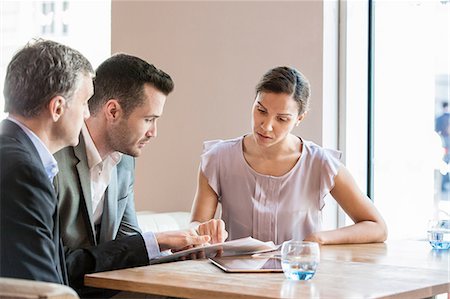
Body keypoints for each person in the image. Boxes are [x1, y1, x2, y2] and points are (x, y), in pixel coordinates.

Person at [54, 54, 212, 297]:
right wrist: (156, 241)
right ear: (113, 111)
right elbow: (58, 263)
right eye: (149, 119)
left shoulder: (124, 160)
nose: (154, 132)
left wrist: (182, 249)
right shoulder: (54, 158)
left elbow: (129, 241)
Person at [190, 66, 388, 245]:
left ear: (299, 119)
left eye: (282, 119)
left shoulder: (320, 163)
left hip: (299, 276)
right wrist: (202, 230)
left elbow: (377, 227)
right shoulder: (218, 159)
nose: (266, 126)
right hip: (235, 280)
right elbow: (196, 225)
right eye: (261, 110)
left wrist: (320, 238)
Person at [0, 39, 94, 284]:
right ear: (57, 108)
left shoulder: (13, 153)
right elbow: (39, 286)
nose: (87, 114)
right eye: (85, 103)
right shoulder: (24, 171)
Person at [435, 101, 450, 191]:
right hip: (445, 144)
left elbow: (437, 131)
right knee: (445, 163)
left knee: (444, 163)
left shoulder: (439, 118)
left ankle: (443, 183)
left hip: (442, 143)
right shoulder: (447, 118)